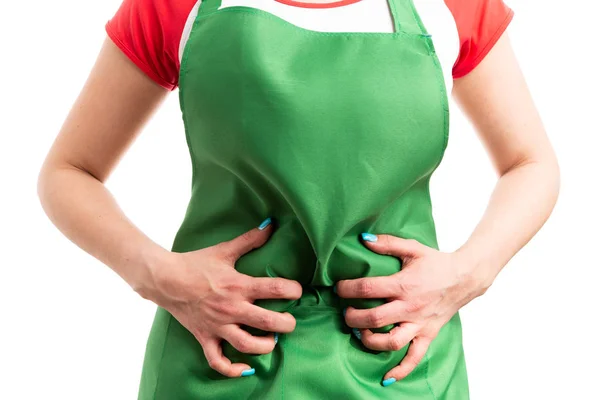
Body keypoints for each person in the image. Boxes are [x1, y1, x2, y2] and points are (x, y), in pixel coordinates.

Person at [37, 0, 560, 398]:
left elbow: (531, 164)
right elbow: (69, 171)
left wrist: (467, 275)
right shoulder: (173, 6)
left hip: (400, 365)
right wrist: (158, 275)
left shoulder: (451, 5)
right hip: (220, 361)